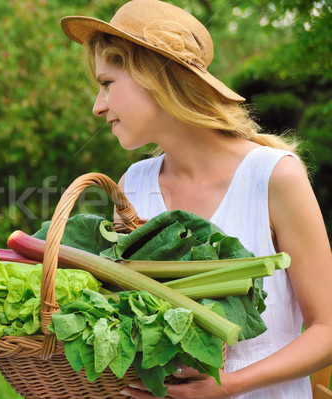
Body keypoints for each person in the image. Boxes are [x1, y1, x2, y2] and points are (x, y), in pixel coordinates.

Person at [59, 0, 332, 398]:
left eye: (107, 84)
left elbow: (326, 331)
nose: (97, 106)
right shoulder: (132, 184)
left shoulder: (273, 176)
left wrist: (227, 386)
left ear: (154, 77)